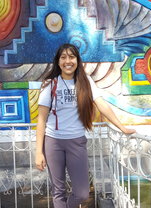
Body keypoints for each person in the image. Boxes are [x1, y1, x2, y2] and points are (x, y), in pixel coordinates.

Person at [35, 43, 136, 208]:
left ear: (77, 60)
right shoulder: (50, 84)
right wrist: (38, 152)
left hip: (76, 141)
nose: (68, 61)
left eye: (71, 57)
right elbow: (41, 120)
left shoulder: (85, 81)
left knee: (82, 193)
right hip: (53, 142)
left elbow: (102, 105)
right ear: (58, 61)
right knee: (58, 191)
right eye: (63, 57)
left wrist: (121, 127)